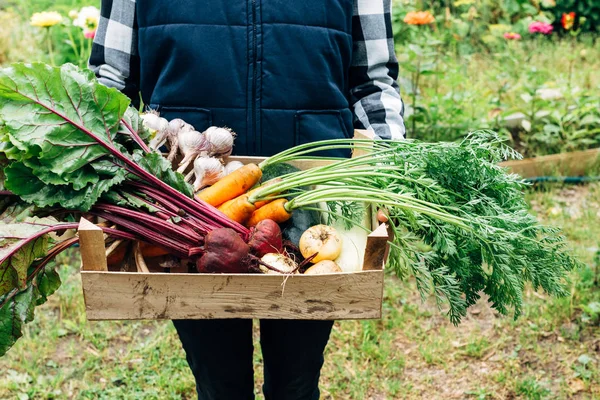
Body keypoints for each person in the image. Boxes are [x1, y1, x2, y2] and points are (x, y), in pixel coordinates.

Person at [90, 1, 405, 398]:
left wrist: (392, 171)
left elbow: (373, 82)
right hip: (187, 202)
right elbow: (110, 79)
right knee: (218, 383)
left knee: (297, 380)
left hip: (315, 200)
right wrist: (98, 168)